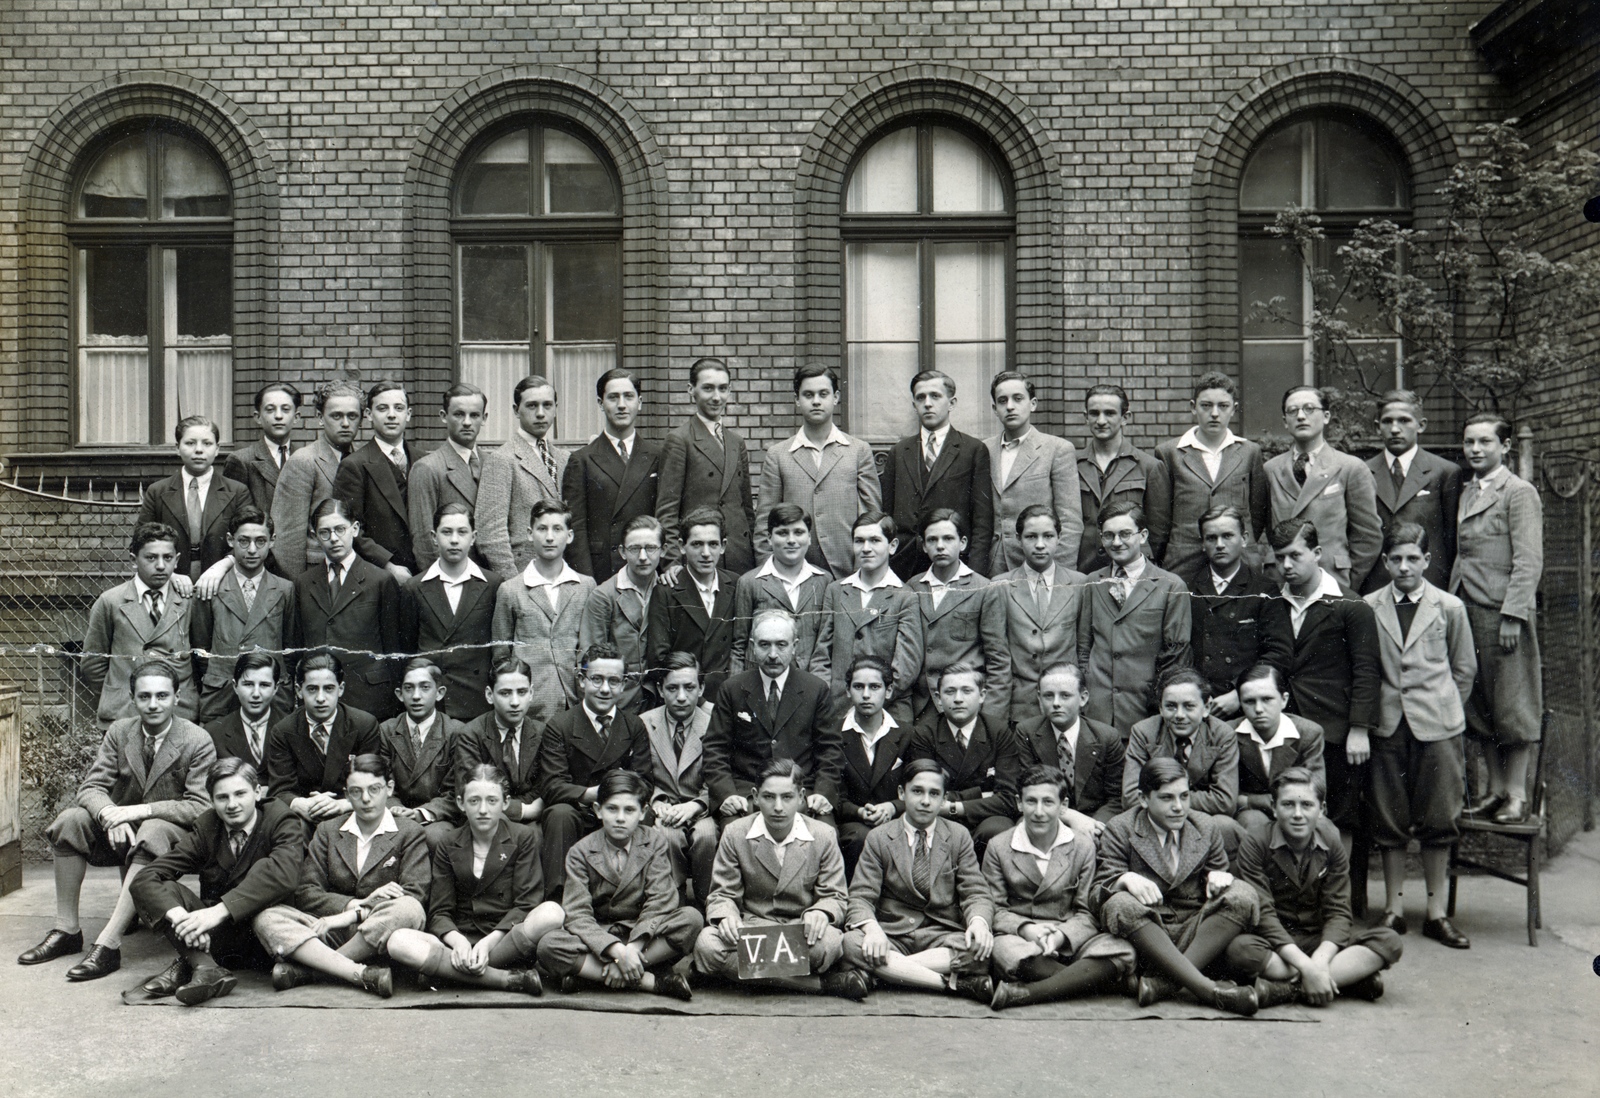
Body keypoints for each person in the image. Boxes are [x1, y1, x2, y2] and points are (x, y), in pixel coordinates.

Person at [18, 659, 216, 981]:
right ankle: (67, 929)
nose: (153, 704)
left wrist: (138, 811)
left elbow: (200, 805)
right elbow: (92, 787)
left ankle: (109, 943)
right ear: (132, 698)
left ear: (177, 697)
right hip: (121, 831)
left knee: (152, 829)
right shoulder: (120, 732)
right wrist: (110, 815)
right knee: (70, 821)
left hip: (173, 839)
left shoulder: (197, 739)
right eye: (145, 696)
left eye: (162, 696)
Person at [1366, 524, 1477, 948]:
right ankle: (1393, 911)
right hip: (1388, 726)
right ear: (1385, 562)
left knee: (1439, 817)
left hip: (1437, 727)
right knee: (1389, 817)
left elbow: (1463, 669)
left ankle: (1436, 913)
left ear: (1427, 561)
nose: (1404, 567)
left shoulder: (1449, 607)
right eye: (1396, 559)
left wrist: (1443, 709)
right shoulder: (1369, 606)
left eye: (1413, 558)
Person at [123, 759, 305, 1005]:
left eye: (240, 794)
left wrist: (218, 912)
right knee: (161, 887)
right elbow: (147, 877)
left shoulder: (281, 819)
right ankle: (207, 968)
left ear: (257, 792)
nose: (232, 805)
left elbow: (284, 874)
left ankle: (194, 963)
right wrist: (182, 920)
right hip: (217, 939)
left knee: (265, 868)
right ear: (211, 800)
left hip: (267, 938)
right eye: (222, 797)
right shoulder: (208, 826)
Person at [1092, 758, 1261, 1015]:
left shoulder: (1205, 826)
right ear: (1143, 799)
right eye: (1167, 798)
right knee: (1119, 903)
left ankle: (1164, 984)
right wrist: (1123, 879)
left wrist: (1219, 878)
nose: (1179, 807)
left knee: (1243, 894)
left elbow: (1218, 880)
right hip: (1148, 934)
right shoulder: (1122, 828)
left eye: (1184, 796)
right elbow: (1097, 896)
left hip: (1196, 931)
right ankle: (1208, 990)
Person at [254, 753, 428, 998]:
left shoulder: (409, 831)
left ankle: (312, 972)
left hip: (381, 933)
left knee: (409, 909)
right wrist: (353, 905)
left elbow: (414, 893)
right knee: (267, 917)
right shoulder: (328, 830)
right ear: (346, 794)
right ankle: (354, 971)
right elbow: (306, 891)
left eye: (374, 789)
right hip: (330, 931)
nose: (365, 799)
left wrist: (354, 915)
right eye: (356, 791)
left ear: (389, 788)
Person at [1226, 768, 1401, 1006]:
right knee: (1240, 950)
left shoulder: (1331, 840)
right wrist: (1307, 967)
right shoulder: (1256, 842)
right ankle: (1344, 980)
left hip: (1316, 939)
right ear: (1274, 808)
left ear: (1322, 809)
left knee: (1389, 940)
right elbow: (1263, 914)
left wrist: (1319, 961)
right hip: (1274, 940)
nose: (1298, 814)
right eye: (1288, 804)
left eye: (1307, 805)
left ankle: (1287, 990)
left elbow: (1338, 910)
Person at [385, 764, 565, 995]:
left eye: (492, 801)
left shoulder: (523, 837)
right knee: (398, 941)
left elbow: (526, 903)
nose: (483, 810)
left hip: (504, 941)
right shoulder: (448, 842)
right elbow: (439, 911)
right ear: (461, 803)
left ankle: (448, 973)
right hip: (459, 943)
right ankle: (505, 979)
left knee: (552, 912)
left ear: (505, 803)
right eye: (474, 801)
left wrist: (488, 943)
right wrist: (459, 943)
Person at [692, 758, 865, 999]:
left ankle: (741, 973)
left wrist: (821, 912)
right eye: (769, 797)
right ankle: (819, 984)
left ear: (801, 797)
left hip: (800, 929)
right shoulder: (736, 833)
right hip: (752, 927)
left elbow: (835, 895)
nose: (778, 807)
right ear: (755, 796)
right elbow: (722, 893)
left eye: (787, 797)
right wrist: (727, 917)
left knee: (830, 944)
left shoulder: (823, 835)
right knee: (708, 944)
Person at [1258, 519, 1380, 849]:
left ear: (1317, 553)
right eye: (1279, 557)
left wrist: (1359, 729)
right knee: (1290, 813)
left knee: (1340, 815)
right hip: (1287, 727)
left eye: (1295, 556)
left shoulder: (1350, 605)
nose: (1286, 565)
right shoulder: (1272, 602)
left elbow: (1367, 671)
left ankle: (1342, 884)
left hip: (1335, 730)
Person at [536, 769, 702, 1000]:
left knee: (691, 919)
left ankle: (595, 975)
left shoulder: (654, 842)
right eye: (612, 809)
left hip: (642, 936)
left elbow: (661, 900)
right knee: (549, 945)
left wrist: (630, 950)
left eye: (629, 810)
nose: (620, 818)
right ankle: (649, 982)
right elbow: (577, 914)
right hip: (600, 937)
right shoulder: (580, 852)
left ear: (643, 812)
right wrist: (615, 950)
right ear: (598, 810)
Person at [1452, 413, 1544, 824]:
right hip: (1466, 610)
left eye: (1485, 442)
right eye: (1469, 442)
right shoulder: (1468, 490)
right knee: (1479, 704)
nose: (1475, 449)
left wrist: (1513, 615)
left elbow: (1528, 560)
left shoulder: (1519, 492)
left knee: (1512, 704)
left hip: (1501, 612)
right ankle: (1494, 790)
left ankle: (1517, 795)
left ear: (1505, 447)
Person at [840, 760, 995, 1001]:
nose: (925, 801)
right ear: (902, 793)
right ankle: (948, 985)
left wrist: (978, 923)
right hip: (892, 934)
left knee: (980, 948)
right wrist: (872, 930)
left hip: (940, 935)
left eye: (934, 794)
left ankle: (888, 973)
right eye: (917, 791)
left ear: (943, 799)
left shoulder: (958, 836)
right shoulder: (879, 837)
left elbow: (975, 892)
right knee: (851, 943)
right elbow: (861, 896)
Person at [984, 765, 1136, 1010]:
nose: (1039, 812)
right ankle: (1093, 981)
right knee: (1004, 950)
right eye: (1031, 801)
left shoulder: (1083, 846)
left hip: (1069, 935)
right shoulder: (999, 846)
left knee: (1120, 949)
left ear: (1063, 806)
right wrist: (1028, 929)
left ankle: (1029, 993)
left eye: (1048, 802)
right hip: (1023, 938)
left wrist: (1061, 936)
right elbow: (996, 909)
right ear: (1019, 803)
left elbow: (1087, 911)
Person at [705, 609, 843, 827]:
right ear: (752, 647)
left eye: (781, 645)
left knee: (825, 834)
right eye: (764, 645)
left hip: (801, 794)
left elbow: (830, 750)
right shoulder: (732, 689)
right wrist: (726, 795)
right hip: (747, 795)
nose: (772, 654)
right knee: (735, 834)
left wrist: (822, 793)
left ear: (794, 646)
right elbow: (715, 749)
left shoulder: (816, 689)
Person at [538, 643, 655, 898]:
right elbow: (552, 785)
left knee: (645, 816)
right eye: (597, 679)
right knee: (559, 814)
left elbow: (645, 781)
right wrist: (595, 794)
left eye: (614, 681)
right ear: (582, 680)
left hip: (620, 812)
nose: (605, 689)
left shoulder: (633, 725)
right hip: (580, 813)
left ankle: (638, 897)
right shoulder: (560, 725)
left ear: (623, 685)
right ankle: (559, 898)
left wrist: (616, 800)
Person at [754, 363, 882, 579]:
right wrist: (769, 576)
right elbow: (765, 521)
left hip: (847, 569)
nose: (816, 401)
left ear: (836, 397)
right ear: (797, 400)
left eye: (823, 394)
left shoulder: (858, 451)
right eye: (808, 394)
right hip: (793, 572)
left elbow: (871, 517)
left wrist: (863, 571)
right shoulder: (778, 455)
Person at [1081, 501, 1192, 734]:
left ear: (1143, 536)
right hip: (1097, 712)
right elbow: (1084, 646)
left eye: (1125, 534)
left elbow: (1176, 655)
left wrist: (1158, 702)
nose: (1116, 542)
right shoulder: (1092, 582)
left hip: (1144, 710)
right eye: (1108, 535)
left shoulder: (1171, 585)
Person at [288, 497, 403, 721]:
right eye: (324, 532)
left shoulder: (380, 580)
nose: (333, 538)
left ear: (355, 529)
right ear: (314, 535)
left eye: (340, 529)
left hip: (369, 698)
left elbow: (394, 649)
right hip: (319, 699)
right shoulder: (304, 583)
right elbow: (296, 645)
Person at [1264, 385, 1384, 588]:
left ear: (1326, 416)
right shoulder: (1271, 469)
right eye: (1293, 411)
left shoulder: (1350, 467)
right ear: (1285, 422)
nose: (1301, 416)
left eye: (1309, 409)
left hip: (1332, 580)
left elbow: (1368, 536)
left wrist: (1346, 585)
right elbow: (1268, 530)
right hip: (1282, 580)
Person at [82, 522, 199, 730]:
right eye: (151, 558)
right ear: (133, 560)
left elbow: (202, 658)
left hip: (179, 714)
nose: (161, 565)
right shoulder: (111, 601)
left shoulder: (189, 601)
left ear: (177, 560)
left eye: (168, 558)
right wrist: (120, 695)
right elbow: (93, 664)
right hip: (124, 714)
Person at [811, 511, 924, 725]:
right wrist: (826, 699)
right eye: (859, 541)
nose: (866, 548)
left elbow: (907, 665)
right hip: (838, 709)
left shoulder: (905, 596)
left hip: (889, 709)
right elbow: (821, 654)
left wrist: (870, 700)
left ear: (892, 546)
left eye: (874, 540)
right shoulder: (836, 590)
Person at [491, 499, 596, 725]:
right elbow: (501, 655)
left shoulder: (585, 586)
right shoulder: (511, 590)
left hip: (575, 701)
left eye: (557, 529)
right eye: (542, 529)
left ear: (569, 535)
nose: (549, 537)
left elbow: (590, 647)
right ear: (530, 534)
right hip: (531, 707)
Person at [881, 369, 994, 579]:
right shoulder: (899, 452)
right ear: (914, 405)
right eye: (920, 397)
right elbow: (886, 514)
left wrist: (974, 574)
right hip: (904, 566)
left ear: (951, 403)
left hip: (954, 565)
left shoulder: (972, 450)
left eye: (935, 396)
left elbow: (982, 522)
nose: (927, 403)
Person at [1153, 372, 1270, 575]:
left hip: (1239, 559)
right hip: (1184, 560)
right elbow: (1160, 518)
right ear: (1193, 407)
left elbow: (1257, 512)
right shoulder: (1169, 453)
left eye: (1223, 406)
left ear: (1234, 409)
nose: (1214, 413)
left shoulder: (1250, 452)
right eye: (1206, 405)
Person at [190, 506, 297, 724]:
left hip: (270, 695)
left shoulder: (284, 589)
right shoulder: (212, 587)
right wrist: (217, 675)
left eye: (260, 541)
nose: (252, 550)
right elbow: (201, 646)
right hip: (222, 692)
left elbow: (290, 647)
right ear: (231, 540)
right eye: (244, 541)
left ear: (272, 541)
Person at [399, 502, 501, 722]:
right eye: (446, 532)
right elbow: (407, 649)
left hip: (476, 701)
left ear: (473, 537)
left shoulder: (492, 584)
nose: (454, 540)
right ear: (434, 537)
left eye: (462, 532)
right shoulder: (414, 587)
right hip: (433, 702)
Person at [909, 509, 1010, 726]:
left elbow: (998, 660)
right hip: (921, 706)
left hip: (966, 704)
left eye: (948, 538)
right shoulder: (912, 587)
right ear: (924, 545)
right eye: (932, 540)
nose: (940, 546)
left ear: (962, 543)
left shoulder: (984, 589)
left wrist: (990, 719)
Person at [992, 504, 1091, 724]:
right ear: (1018, 539)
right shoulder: (1000, 586)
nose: (1039, 544)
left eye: (1048, 536)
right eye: (1031, 536)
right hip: (1019, 707)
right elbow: (996, 653)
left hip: (1067, 706)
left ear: (1059, 538)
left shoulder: (1079, 584)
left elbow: (1084, 648)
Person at [657, 356, 757, 574]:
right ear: (691, 390)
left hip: (739, 555)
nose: (716, 397)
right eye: (708, 388)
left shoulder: (736, 442)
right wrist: (672, 564)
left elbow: (747, 509)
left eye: (723, 388)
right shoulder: (680, 440)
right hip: (700, 557)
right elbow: (667, 511)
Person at [1122, 670, 1241, 851]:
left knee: (1224, 825)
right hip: (1156, 821)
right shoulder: (1144, 732)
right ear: (1160, 708)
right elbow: (1131, 796)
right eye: (1171, 706)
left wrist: (1164, 799)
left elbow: (1224, 801)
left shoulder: (1222, 735)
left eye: (1189, 706)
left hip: (1201, 819)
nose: (1179, 715)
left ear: (1206, 707)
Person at [907, 664, 1019, 855]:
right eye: (950, 691)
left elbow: (1008, 798)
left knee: (997, 830)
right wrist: (980, 793)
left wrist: (953, 806)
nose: (958, 699)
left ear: (982, 695)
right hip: (939, 818)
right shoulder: (925, 733)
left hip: (985, 817)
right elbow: (926, 792)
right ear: (938, 698)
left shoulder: (998, 732)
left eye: (966, 691)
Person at [1174, 504, 1275, 717]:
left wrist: (1240, 693)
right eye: (1211, 538)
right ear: (1203, 544)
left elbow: (1277, 653)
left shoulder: (1264, 589)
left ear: (1244, 539)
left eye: (1227, 536)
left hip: (1248, 704)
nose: (1220, 545)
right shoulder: (1188, 588)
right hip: (1198, 706)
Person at [562, 368, 663, 579]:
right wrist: (585, 581)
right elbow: (576, 529)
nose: (622, 405)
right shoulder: (582, 459)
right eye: (613, 397)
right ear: (601, 403)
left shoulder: (658, 456)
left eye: (628, 396)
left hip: (648, 566)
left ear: (640, 402)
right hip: (602, 570)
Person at [1359, 389, 1462, 593]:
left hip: (1429, 583)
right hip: (1377, 586)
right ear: (1377, 427)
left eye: (1404, 421)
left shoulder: (1444, 472)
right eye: (1387, 421)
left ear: (1421, 425)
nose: (1395, 429)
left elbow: (1451, 539)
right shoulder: (1361, 472)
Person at [266, 650, 383, 823]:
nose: (320, 698)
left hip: (350, 812)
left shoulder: (363, 725)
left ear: (340, 689)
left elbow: (373, 783)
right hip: (305, 816)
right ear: (298, 691)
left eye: (328, 689)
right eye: (312, 689)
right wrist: (302, 804)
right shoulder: (283, 731)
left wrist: (343, 804)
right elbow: (280, 790)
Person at [640, 652, 720, 905]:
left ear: (701, 688)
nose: (682, 697)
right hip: (664, 809)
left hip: (701, 808)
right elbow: (640, 774)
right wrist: (656, 801)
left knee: (706, 835)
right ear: (660, 690)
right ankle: (674, 902)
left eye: (689, 687)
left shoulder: (715, 724)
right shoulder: (644, 724)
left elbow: (720, 775)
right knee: (667, 834)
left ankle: (709, 901)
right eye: (672, 688)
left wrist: (696, 805)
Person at [984, 370, 1083, 573]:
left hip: (1040, 563)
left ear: (1033, 404)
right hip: (994, 565)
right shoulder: (984, 449)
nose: (1010, 406)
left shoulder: (1056, 449)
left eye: (1018, 398)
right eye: (1002, 401)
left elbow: (1070, 521)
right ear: (995, 409)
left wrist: (1058, 572)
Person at [136, 414, 250, 586]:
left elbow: (247, 540)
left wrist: (222, 567)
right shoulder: (157, 491)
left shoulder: (237, 491)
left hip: (224, 582)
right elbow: (140, 542)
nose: (199, 450)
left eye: (207, 443)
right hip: (169, 584)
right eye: (190, 443)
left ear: (217, 449)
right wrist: (169, 574)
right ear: (177, 448)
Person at [476, 374, 570, 578]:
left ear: (555, 408)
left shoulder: (564, 459)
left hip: (562, 574)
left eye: (547, 405)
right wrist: (514, 584)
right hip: (524, 574)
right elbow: (491, 534)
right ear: (516, 410)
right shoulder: (502, 459)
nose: (540, 413)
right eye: (532, 406)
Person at [1012, 662, 1125, 830]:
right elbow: (1027, 790)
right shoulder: (1026, 732)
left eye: (1065, 695)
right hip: (1044, 815)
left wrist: (1094, 825)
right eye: (1048, 696)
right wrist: (1070, 816)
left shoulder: (1106, 736)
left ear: (1083, 698)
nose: (1056, 703)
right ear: (1039, 698)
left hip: (1093, 820)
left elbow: (1115, 798)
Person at [831, 656, 913, 876]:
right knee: (861, 837)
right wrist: (859, 811)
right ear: (847, 691)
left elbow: (918, 785)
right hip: (853, 824)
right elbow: (832, 792)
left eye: (874, 687)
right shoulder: (833, 734)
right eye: (858, 687)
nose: (866, 695)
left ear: (888, 691)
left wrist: (893, 807)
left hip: (897, 818)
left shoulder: (907, 734)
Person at [271, 380, 362, 578]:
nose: (345, 423)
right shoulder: (304, 461)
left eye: (352, 416)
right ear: (320, 418)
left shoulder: (361, 461)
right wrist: (298, 587)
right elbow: (288, 539)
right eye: (336, 416)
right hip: (315, 573)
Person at [647, 507, 739, 702]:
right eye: (697, 544)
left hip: (727, 698)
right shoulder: (667, 591)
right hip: (685, 700)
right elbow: (659, 657)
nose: (706, 553)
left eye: (713, 544)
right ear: (682, 546)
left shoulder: (736, 584)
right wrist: (700, 701)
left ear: (723, 546)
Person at [1077, 383, 1170, 572]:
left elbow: (1159, 532)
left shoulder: (1148, 466)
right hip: (1083, 569)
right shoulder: (1071, 464)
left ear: (1125, 418)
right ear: (1086, 417)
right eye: (1094, 413)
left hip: (1131, 570)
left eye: (1110, 413)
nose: (1101, 420)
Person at [376, 657, 467, 848]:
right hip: (395, 813)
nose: (416, 696)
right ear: (400, 694)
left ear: (439, 693)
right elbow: (381, 782)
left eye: (425, 687)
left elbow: (456, 790)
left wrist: (420, 813)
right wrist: (396, 809)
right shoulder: (387, 730)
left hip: (437, 818)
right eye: (409, 688)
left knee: (435, 837)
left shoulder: (455, 732)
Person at [332, 378, 417, 582]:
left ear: (408, 414)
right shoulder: (354, 465)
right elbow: (349, 528)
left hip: (424, 573)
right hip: (378, 576)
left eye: (398, 408)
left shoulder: (423, 460)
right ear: (369, 414)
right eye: (382, 408)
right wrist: (388, 566)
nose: (391, 415)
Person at [732, 504, 830, 672]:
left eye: (798, 532)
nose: (791, 540)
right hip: (761, 680)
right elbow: (738, 646)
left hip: (811, 680)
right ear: (769, 538)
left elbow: (827, 642)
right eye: (783, 533)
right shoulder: (750, 582)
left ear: (809, 538)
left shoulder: (824, 580)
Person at [580, 515, 663, 714]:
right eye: (634, 549)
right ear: (622, 552)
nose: (643, 557)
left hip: (659, 702)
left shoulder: (666, 588)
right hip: (618, 703)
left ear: (663, 550)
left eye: (651, 548)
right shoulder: (604, 596)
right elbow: (589, 657)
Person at [455, 658, 549, 829]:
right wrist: (525, 810)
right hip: (486, 820)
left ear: (531, 693)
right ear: (489, 695)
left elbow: (543, 786)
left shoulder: (542, 733)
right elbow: (471, 792)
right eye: (505, 693)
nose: (515, 702)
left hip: (532, 822)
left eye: (522, 692)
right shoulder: (471, 734)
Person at [1231, 663, 1325, 833]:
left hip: (1295, 809)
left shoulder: (1308, 733)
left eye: (1267, 699)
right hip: (1251, 814)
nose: (1258, 709)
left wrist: (1250, 800)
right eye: (1249, 701)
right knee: (1254, 824)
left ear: (1284, 700)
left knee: (1325, 828)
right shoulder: (1229, 733)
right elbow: (1230, 795)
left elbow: (1314, 792)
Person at [409, 382, 490, 571]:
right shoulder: (428, 468)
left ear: (484, 418)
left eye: (474, 415)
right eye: (459, 414)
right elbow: (424, 540)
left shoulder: (493, 463)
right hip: (452, 577)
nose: (467, 422)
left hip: (492, 578)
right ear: (444, 416)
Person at [224, 382, 301, 520]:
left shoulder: (306, 458)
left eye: (285, 409)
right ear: (258, 417)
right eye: (270, 410)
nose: (278, 416)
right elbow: (233, 517)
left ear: (296, 417)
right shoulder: (241, 460)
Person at [205, 652, 284, 773]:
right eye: (248, 684)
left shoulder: (289, 728)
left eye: (264, 685)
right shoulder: (214, 732)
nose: (256, 694)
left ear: (276, 688)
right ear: (235, 686)